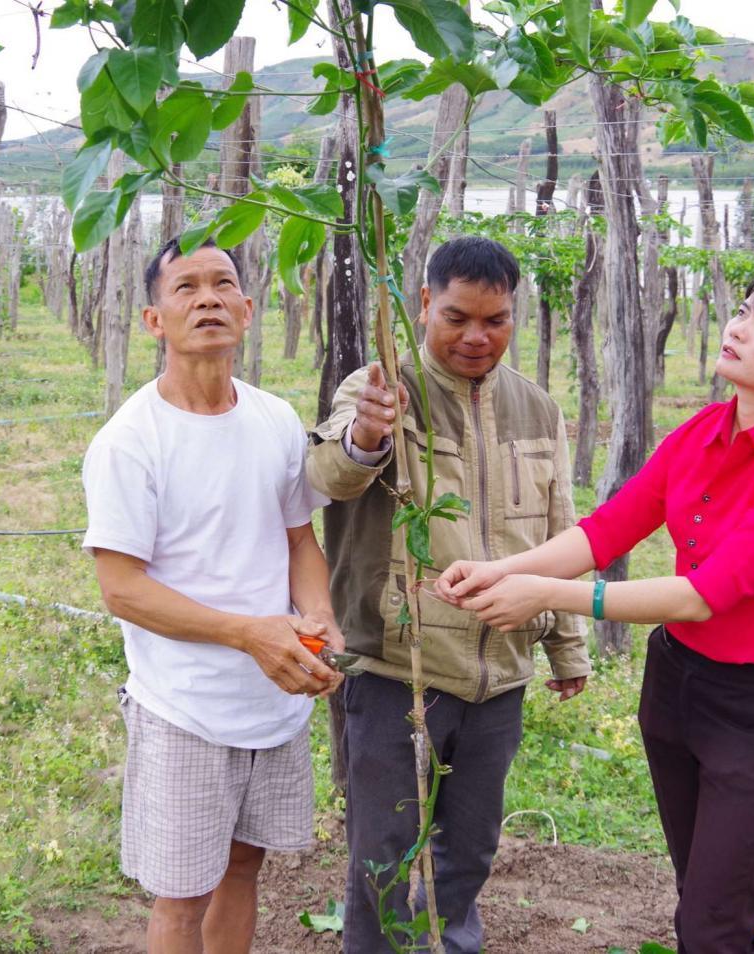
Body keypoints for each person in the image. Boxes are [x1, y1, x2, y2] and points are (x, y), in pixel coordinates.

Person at [437, 271, 754, 954]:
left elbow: (700, 594)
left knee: (712, 923)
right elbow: (606, 530)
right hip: (677, 685)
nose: (737, 328)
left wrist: (545, 596)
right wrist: (503, 570)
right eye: (743, 311)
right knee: (697, 892)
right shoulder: (704, 431)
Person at [308, 236, 593, 953]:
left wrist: (565, 644)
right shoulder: (378, 389)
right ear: (424, 303)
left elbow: (559, 530)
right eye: (458, 317)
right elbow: (330, 476)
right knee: (383, 852)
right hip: (397, 670)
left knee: (468, 852)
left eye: (496, 320)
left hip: (500, 677)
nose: (476, 337)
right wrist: (368, 435)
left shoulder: (536, 408)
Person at [82, 237, 343, 954]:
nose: (207, 299)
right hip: (185, 705)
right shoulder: (130, 441)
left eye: (223, 284)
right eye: (186, 287)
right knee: (181, 893)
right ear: (152, 320)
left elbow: (299, 541)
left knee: (244, 864)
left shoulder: (274, 419)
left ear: (248, 309)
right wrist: (248, 634)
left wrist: (315, 616)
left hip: (273, 699)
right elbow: (122, 589)